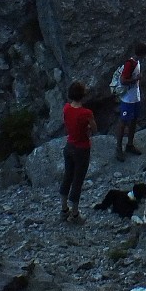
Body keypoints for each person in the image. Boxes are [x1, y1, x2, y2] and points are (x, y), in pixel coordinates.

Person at [59, 81, 96, 224]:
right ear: (83, 95)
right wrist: (88, 127)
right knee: (77, 181)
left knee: (67, 177)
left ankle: (63, 210)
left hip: (69, 146)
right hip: (82, 149)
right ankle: (75, 214)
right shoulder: (87, 113)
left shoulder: (66, 108)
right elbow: (94, 129)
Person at [115, 41, 146, 161]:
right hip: (128, 99)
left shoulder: (136, 62)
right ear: (143, 53)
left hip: (135, 97)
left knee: (133, 120)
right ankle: (118, 148)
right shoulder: (130, 64)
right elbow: (124, 80)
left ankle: (129, 144)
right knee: (123, 122)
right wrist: (136, 79)